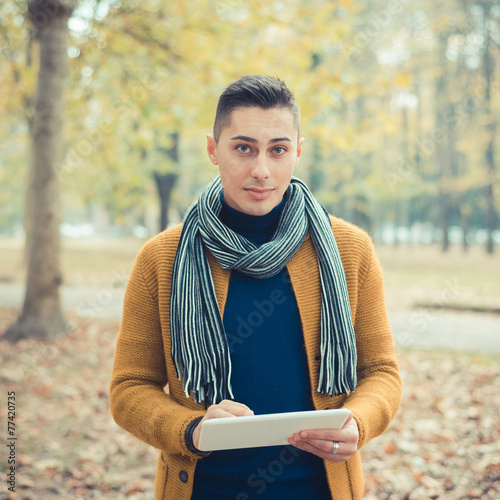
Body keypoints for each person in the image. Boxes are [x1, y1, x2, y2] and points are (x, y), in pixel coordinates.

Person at [110, 74, 402, 500]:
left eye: (278, 150)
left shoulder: (349, 250)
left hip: (318, 490)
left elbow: (381, 373)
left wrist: (357, 421)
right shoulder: (161, 258)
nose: (261, 170)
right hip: (206, 490)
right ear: (213, 149)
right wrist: (190, 429)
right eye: (243, 148)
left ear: (297, 153)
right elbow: (129, 388)